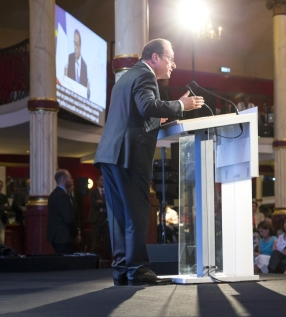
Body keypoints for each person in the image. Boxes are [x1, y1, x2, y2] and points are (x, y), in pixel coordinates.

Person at [93, 38, 204, 286]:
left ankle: (122, 270)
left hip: (110, 155)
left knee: (118, 218)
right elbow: (146, 105)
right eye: (170, 58)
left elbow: (134, 114)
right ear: (155, 57)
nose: (174, 64)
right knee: (136, 215)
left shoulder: (124, 78)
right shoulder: (145, 75)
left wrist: (159, 119)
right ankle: (139, 270)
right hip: (129, 155)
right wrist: (180, 105)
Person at [47, 170, 80, 254]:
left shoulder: (53, 194)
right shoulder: (62, 195)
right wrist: (76, 233)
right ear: (65, 179)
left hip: (57, 237)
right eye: (69, 177)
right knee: (66, 264)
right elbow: (69, 218)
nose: (71, 179)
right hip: (63, 237)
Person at [88, 175, 110, 257]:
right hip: (96, 218)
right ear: (97, 181)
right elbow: (94, 204)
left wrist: (101, 202)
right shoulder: (93, 192)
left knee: (107, 239)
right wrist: (102, 203)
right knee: (95, 239)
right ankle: (94, 258)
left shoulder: (108, 192)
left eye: (104, 180)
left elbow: (110, 204)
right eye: (101, 180)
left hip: (106, 217)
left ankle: (107, 258)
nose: (103, 182)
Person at [66, 30, 90, 98]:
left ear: (80, 46)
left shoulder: (84, 66)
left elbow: (86, 92)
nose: (75, 47)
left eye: (77, 44)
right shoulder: (69, 58)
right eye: (74, 44)